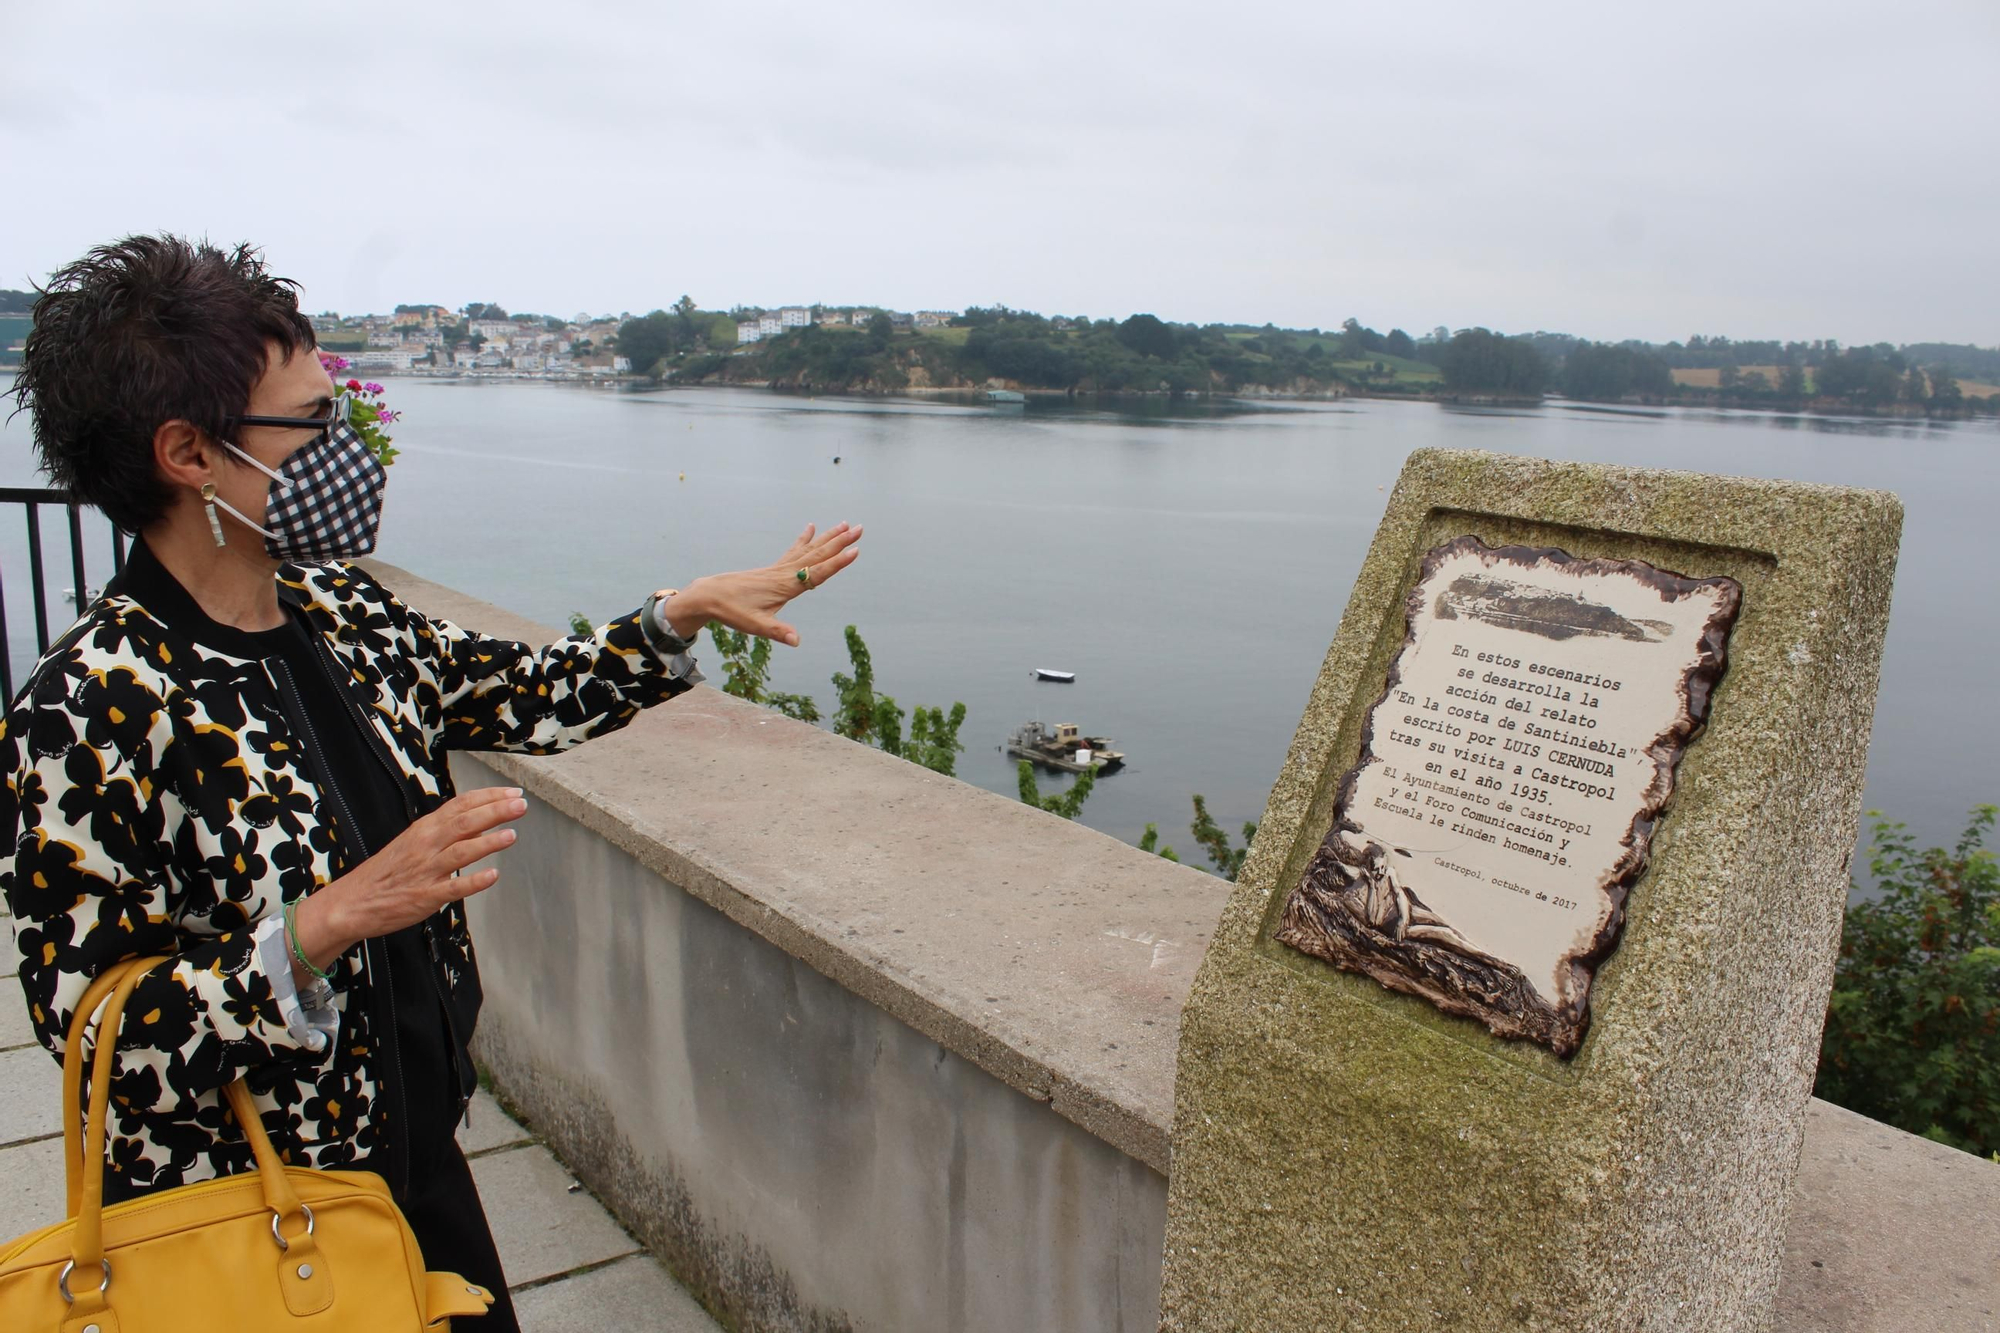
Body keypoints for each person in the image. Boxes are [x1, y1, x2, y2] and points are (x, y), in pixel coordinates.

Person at [0, 235, 861, 1332]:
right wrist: (325, 921)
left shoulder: (338, 611)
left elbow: (524, 693)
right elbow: (97, 1038)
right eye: (313, 423)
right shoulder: (93, 706)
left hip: (415, 1165)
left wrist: (673, 617)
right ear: (189, 453)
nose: (348, 444)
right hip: (253, 1219)